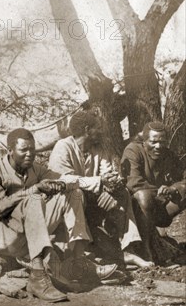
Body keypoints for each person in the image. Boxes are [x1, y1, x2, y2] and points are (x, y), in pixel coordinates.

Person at [0, 128, 117, 302]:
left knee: (74, 194)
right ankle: (37, 275)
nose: (29, 154)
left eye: (32, 150)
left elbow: (65, 179)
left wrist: (97, 181)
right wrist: (34, 189)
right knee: (34, 199)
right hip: (2, 236)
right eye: (23, 150)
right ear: (10, 151)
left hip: (29, 234)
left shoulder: (35, 169)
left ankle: (77, 261)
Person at [49, 112, 152, 268]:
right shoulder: (63, 147)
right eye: (97, 128)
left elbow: (107, 172)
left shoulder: (98, 148)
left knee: (122, 193)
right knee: (76, 194)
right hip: (68, 205)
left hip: (91, 202)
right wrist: (99, 184)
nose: (101, 131)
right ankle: (80, 253)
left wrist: (111, 184)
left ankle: (128, 250)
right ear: (86, 130)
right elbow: (64, 181)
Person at [121, 122, 186, 261]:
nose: (158, 146)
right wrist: (160, 193)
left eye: (162, 142)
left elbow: (183, 178)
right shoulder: (133, 150)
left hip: (159, 208)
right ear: (144, 141)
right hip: (135, 210)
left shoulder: (168, 155)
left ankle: (157, 239)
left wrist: (173, 189)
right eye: (153, 142)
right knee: (143, 196)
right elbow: (134, 183)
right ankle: (145, 247)